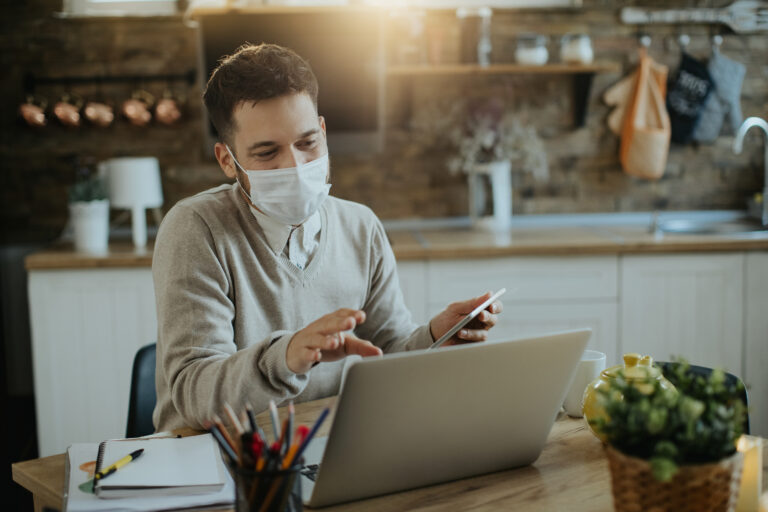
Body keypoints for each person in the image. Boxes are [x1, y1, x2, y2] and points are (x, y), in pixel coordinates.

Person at [152, 43, 503, 432]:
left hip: (325, 443)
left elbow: (388, 349)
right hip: (210, 455)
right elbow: (194, 393)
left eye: (307, 143)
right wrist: (286, 356)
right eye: (267, 153)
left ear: (322, 131)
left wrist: (436, 337)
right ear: (227, 161)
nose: (295, 166)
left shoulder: (360, 226)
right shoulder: (196, 229)